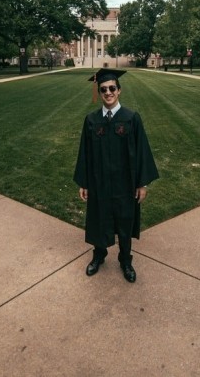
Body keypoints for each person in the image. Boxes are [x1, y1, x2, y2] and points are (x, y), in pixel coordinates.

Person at [73, 69, 159, 283]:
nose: (108, 92)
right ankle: (98, 256)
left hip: (125, 184)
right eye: (103, 89)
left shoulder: (131, 118)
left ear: (119, 91)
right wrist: (84, 182)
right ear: (99, 93)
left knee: (124, 221)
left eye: (112, 88)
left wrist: (142, 184)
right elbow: (85, 152)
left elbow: (142, 152)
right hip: (99, 182)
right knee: (99, 218)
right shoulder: (91, 120)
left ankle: (125, 260)